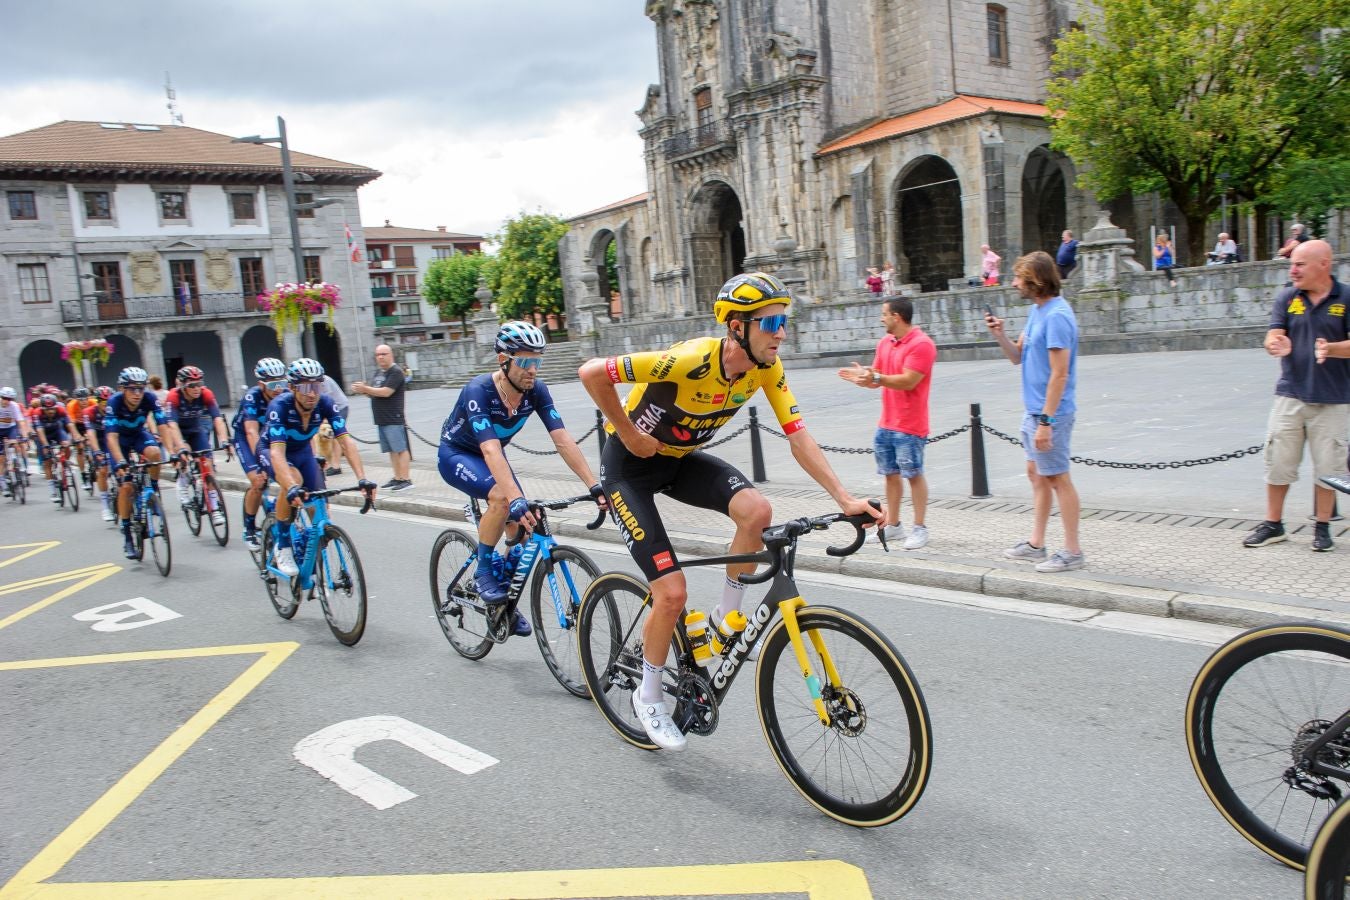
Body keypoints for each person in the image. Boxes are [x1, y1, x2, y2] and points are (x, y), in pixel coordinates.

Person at [579, 271, 881, 751]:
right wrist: (630, 434)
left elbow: (798, 437)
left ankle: (727, 617)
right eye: (772, 322)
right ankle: (649, 694)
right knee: (671, 593)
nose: (782, 332)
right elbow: (593, 372)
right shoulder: (690, 360)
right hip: (629, 471)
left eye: (785, 320)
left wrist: (844, 499)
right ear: (737, 326)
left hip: (677, 462)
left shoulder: (766, 368)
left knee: (756, 509)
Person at [438, 321, 606, 637]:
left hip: (492, 459)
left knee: (526, 529)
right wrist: (514, 499)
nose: (533, 370)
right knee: (503, 500)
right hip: (457, 455)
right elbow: (489, 449)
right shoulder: (479, 391)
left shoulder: (536, 391)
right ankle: (485, 573)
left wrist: (593, 485)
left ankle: (502, 605)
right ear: (504, 360)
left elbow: (563, 440)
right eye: (526, 362)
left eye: (538, 361)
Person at [1242, 240, 1349, 553]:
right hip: (1290, 393)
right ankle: (1273, 524)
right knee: (1278, 461)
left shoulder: (1347, 297)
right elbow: (1273, 333)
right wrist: (1275, 344)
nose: (1293, 270)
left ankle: (1323, 527)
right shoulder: (1288, 297)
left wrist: (1332, 348)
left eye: (1300, 264)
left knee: (1329, 467)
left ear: (1324, 264)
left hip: (1334, 397)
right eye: (1293, 264)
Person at [984, 251, 1085, 573]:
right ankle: (1036, 544)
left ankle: (1072, 551)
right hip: (1035, 411)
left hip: (1050, 414)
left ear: (1036, 281)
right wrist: (1000, 334)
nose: (1014, 284)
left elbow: (1060, 374)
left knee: (1057, 478)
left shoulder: (1057, 316)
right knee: (1037, 476)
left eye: (1019, 279)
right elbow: (1018, 357)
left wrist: (1046, 422)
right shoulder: (1037, 311)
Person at [837, 296, 937, 550]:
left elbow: (908, 381)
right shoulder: (885, 342)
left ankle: (920, 528)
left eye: (885, 314)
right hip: (887, 423)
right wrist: (863, 377)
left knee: (913, 475)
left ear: (897, 316)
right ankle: (893, 525)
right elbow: (878, 378)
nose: (882, 318)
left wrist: (877, 377)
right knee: (890, 476)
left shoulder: (922, 344)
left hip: (911, 425)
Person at [265, 358, 375, 577]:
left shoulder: (325, 403)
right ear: (293, 387)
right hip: (274, 451)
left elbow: (346, 441)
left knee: (319, 510)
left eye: (316, 386)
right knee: (292, 480)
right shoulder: (280, 406)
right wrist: (291, 486)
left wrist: (362, 478)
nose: (311, 393)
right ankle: (283, 545)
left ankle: (310, 556)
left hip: (303, 452)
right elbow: (277, 453)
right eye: (305, 387)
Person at [104, 367, 168, 559]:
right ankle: (127, 535)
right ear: (122, 389)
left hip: (138, 435)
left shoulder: (149, 398)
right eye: (132, 389)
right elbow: (112, 437)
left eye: (141, 389)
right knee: (127, 486)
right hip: (119, 441)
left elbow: (163, 425)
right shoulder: (114, 402)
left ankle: (153, 490)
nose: (137, 394)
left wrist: (172, 452)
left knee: (155, 452)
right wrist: (121, 462)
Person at [162, 365, 231, 526]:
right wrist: (181, 448)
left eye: (199, 384)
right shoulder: (173, 397)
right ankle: (183, 484)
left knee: (207, 465)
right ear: (183, 386)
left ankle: (214, 509)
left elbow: (217, 419)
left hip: (195, 430)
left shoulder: (206, 394)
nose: (196, 388)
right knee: (184, 456)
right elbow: (171, 425)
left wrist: (224, 440)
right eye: (192, 385)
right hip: (178, 431)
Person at [232, 358, 288, 552]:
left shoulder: (286, 395)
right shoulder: (252, 398)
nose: (279, 388)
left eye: (282, 382)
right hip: (247, 438)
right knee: (259, 481)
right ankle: (249, 527)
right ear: (261, 384)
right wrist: (262, 463)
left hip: (271, 436)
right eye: (274, 384)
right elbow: (251, 432)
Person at [350, 344, 411, 492]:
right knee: (391, 450)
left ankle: (406, 479)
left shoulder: (396, 372)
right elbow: (374, 392)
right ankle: (397, 477)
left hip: (393, 416)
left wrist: (366, 389)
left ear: (391, 355)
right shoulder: (379, 373)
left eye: (384, 354)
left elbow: (386, 392)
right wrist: (363, 390)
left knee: (400, 448)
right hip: (381, 418)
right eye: (378, 355)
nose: (381, 357)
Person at [81, 386, 116, 521]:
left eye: (108, 402)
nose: (106, 405)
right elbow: (91, 433)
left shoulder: (116, 409)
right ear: (97, 402)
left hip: (112, 438)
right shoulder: (89, 412)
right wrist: (96, 451)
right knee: (102, 470)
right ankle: (106, 506)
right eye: (102, 402)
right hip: (99, 440)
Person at [30, 393, 73, 503]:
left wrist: (76, 437)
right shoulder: (37, 413)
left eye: (53, 409)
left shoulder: (60, 409)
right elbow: (39, 430)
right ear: (43, 408)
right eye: (47, 410)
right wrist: (45, 445)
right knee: (47, 462)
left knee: (67, 445)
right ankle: (53, 490)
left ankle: (65, 464)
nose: (51, 412)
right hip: (43, 435)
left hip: (57, 431)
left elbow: (70, 425)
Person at [314, 374, 351, 476]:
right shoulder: (313, 382)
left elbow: (328, 401)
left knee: (337, 435)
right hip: (330, 408)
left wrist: (325, 418)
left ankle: (336, 466)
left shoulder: (324, 381)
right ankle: (329, 462)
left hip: (340, 407)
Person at [0, 386, 32, 498]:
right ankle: (2, 481)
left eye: (10, 399)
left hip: (10, 428)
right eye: (4, 398)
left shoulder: (14, 406)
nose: (7, 401)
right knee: (1, 458)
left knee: (17, 443)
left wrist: (24, 436)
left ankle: (20, 464)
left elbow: (21, 422)